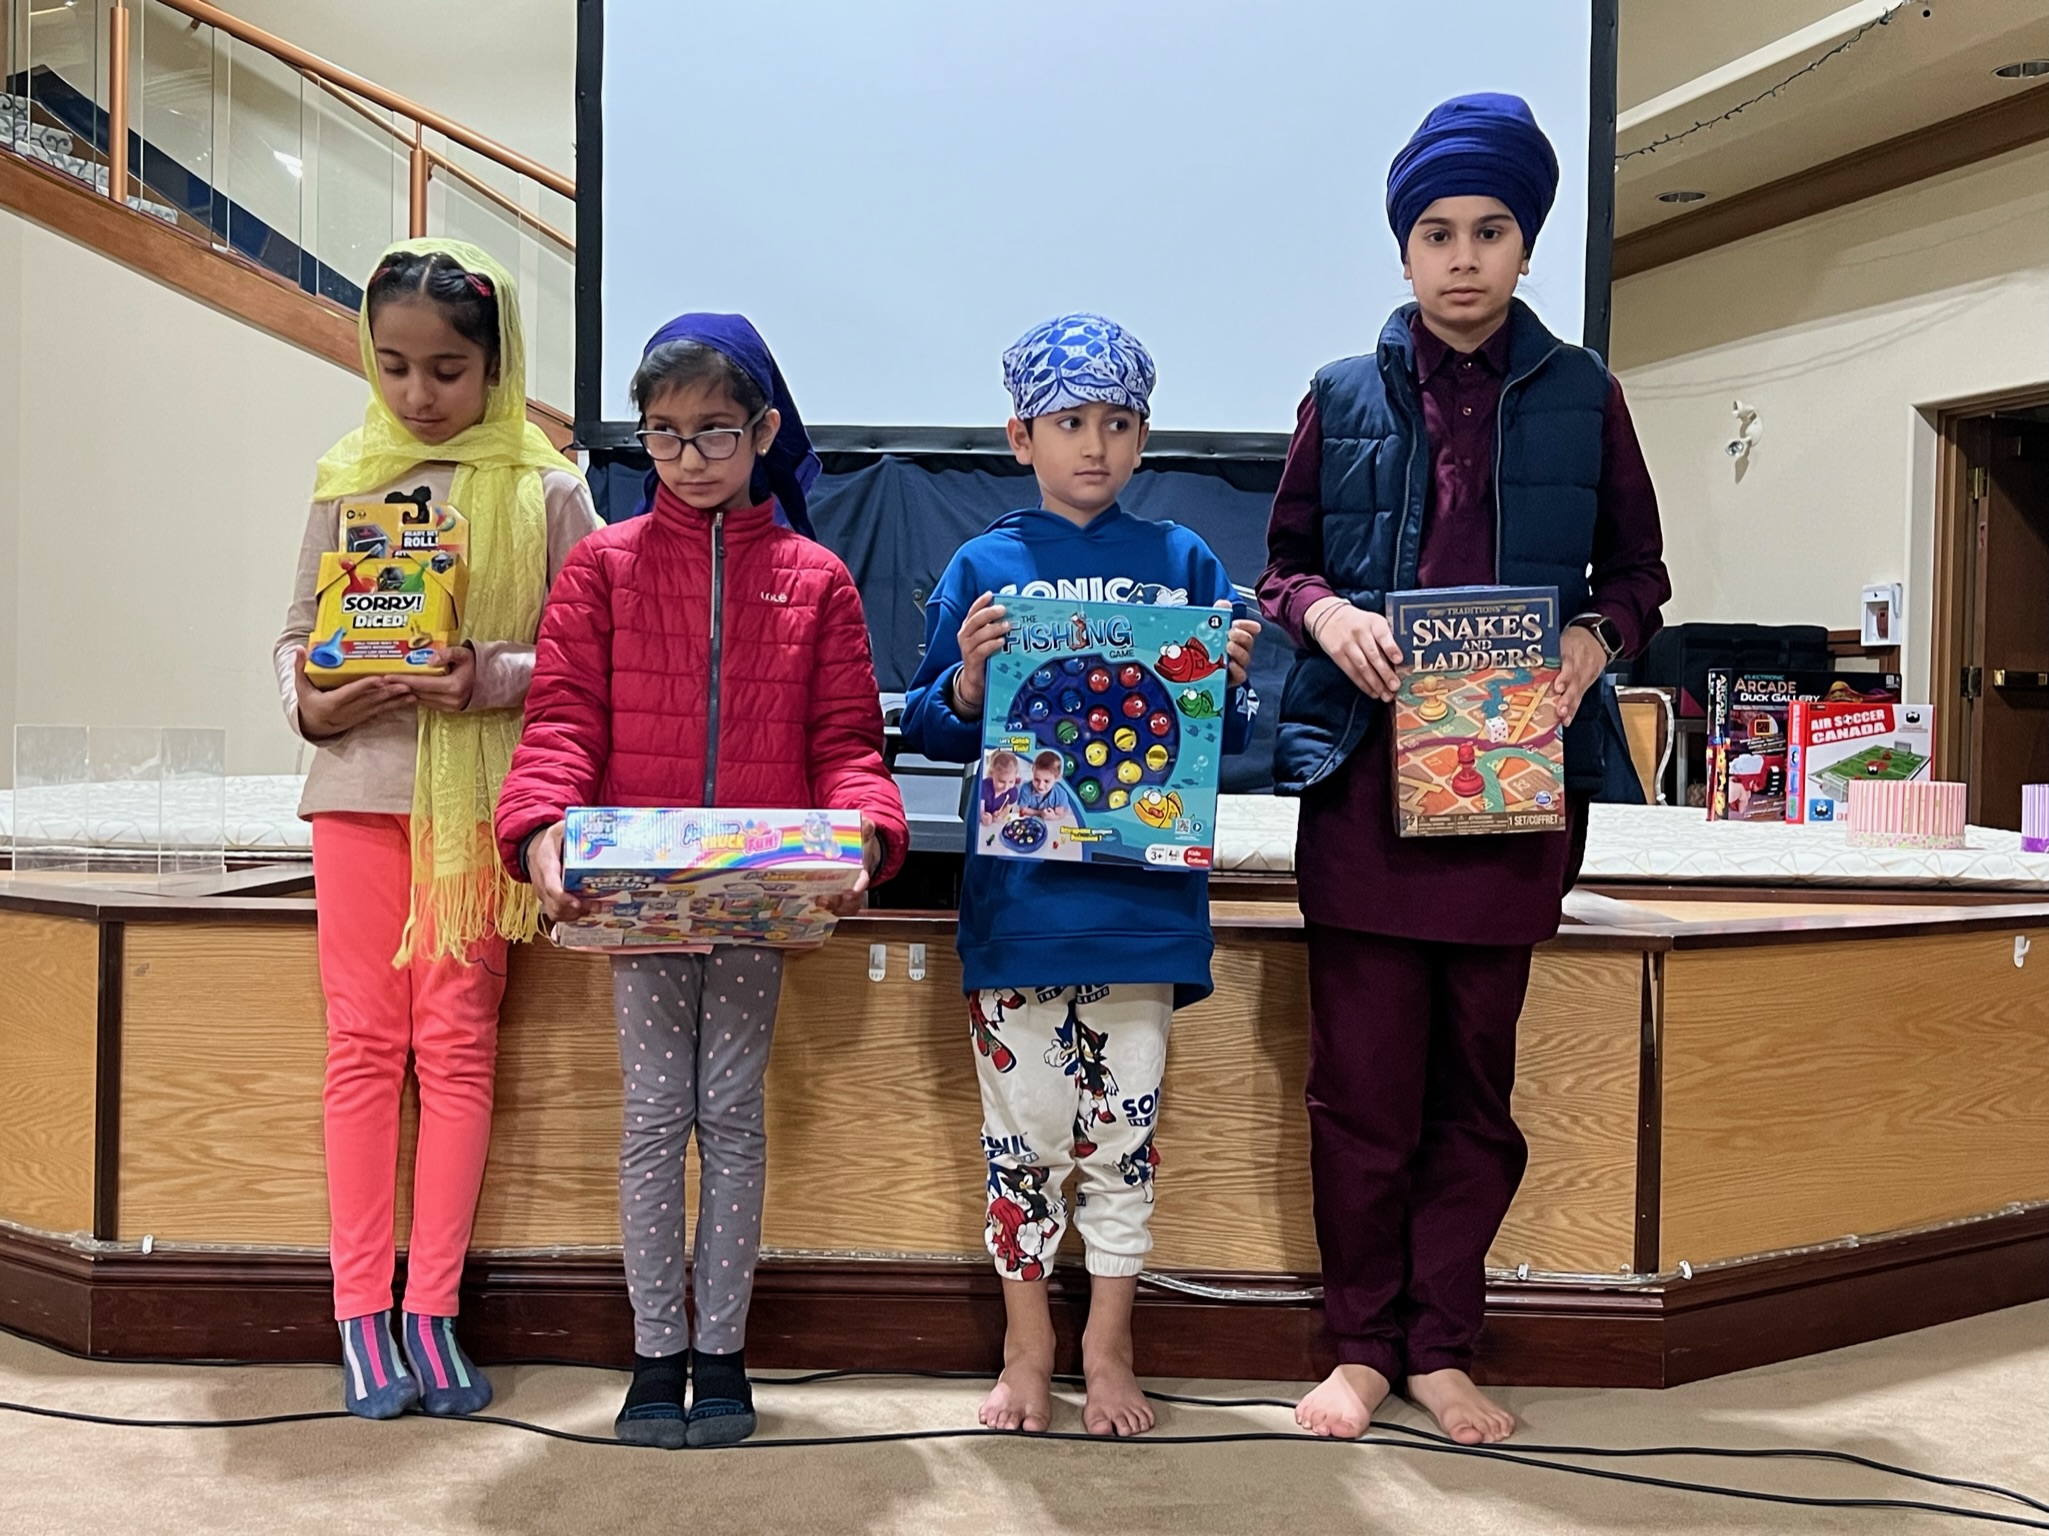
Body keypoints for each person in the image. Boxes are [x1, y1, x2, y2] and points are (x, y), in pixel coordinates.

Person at [1258, 94, 1671, 1446]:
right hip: (1364, 790)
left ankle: (1442, 1346)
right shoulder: (1339, 394)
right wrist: (1328, 616)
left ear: (1525, 244)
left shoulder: (1588, 394)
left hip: (1512, 794)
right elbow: (1284, 566)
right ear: (1403, 249)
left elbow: (1639, 572)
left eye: (1489, 231)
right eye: (1436, 232)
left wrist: (1591, 643)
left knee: (1472, 1099)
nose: (1462, 258)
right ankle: (1360, 1349)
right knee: (1362, 1094)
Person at [493, 314, 908, 1449]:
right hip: (635, 903)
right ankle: (653, 1353)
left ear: (764, 431)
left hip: (757, 904)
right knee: (650, 1120)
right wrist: (538, 829)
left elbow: (847, 744)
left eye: (716, 431)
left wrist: (866, 835)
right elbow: (562, 724)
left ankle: (720, 1352)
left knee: (729, 1116)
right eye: (665, 435)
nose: (688, 457)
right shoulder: (602, 567)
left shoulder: (815, 579)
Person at [899, 314, 1261, 1438]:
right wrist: (968, 686)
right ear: (1021, 437)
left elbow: (1224, 739)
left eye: (1116, 423)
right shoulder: (984, 566)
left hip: (1141, 909)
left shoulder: (1184, 562)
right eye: (1068, 423)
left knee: (1120, 1141)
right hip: (1020, 910)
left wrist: (1227, 679)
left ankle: (1109, 1346)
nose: (1093, 445)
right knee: (1022, 1140)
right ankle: (1029, 1346)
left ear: (1144, 436)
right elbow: (926, 723)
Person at [274, 239, 600, 1420]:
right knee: (364, 1045)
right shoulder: (349, 472)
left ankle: (433, 1312)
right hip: (360, 792)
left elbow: (587, 654)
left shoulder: (548, 487)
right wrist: (311, 702)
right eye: (396, 365)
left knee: (457, 1048)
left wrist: (487, 676)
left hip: (479, 810)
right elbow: (294, 636)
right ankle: (361, 1313)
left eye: (448, 370)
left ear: (497, 363)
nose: (418, 394)